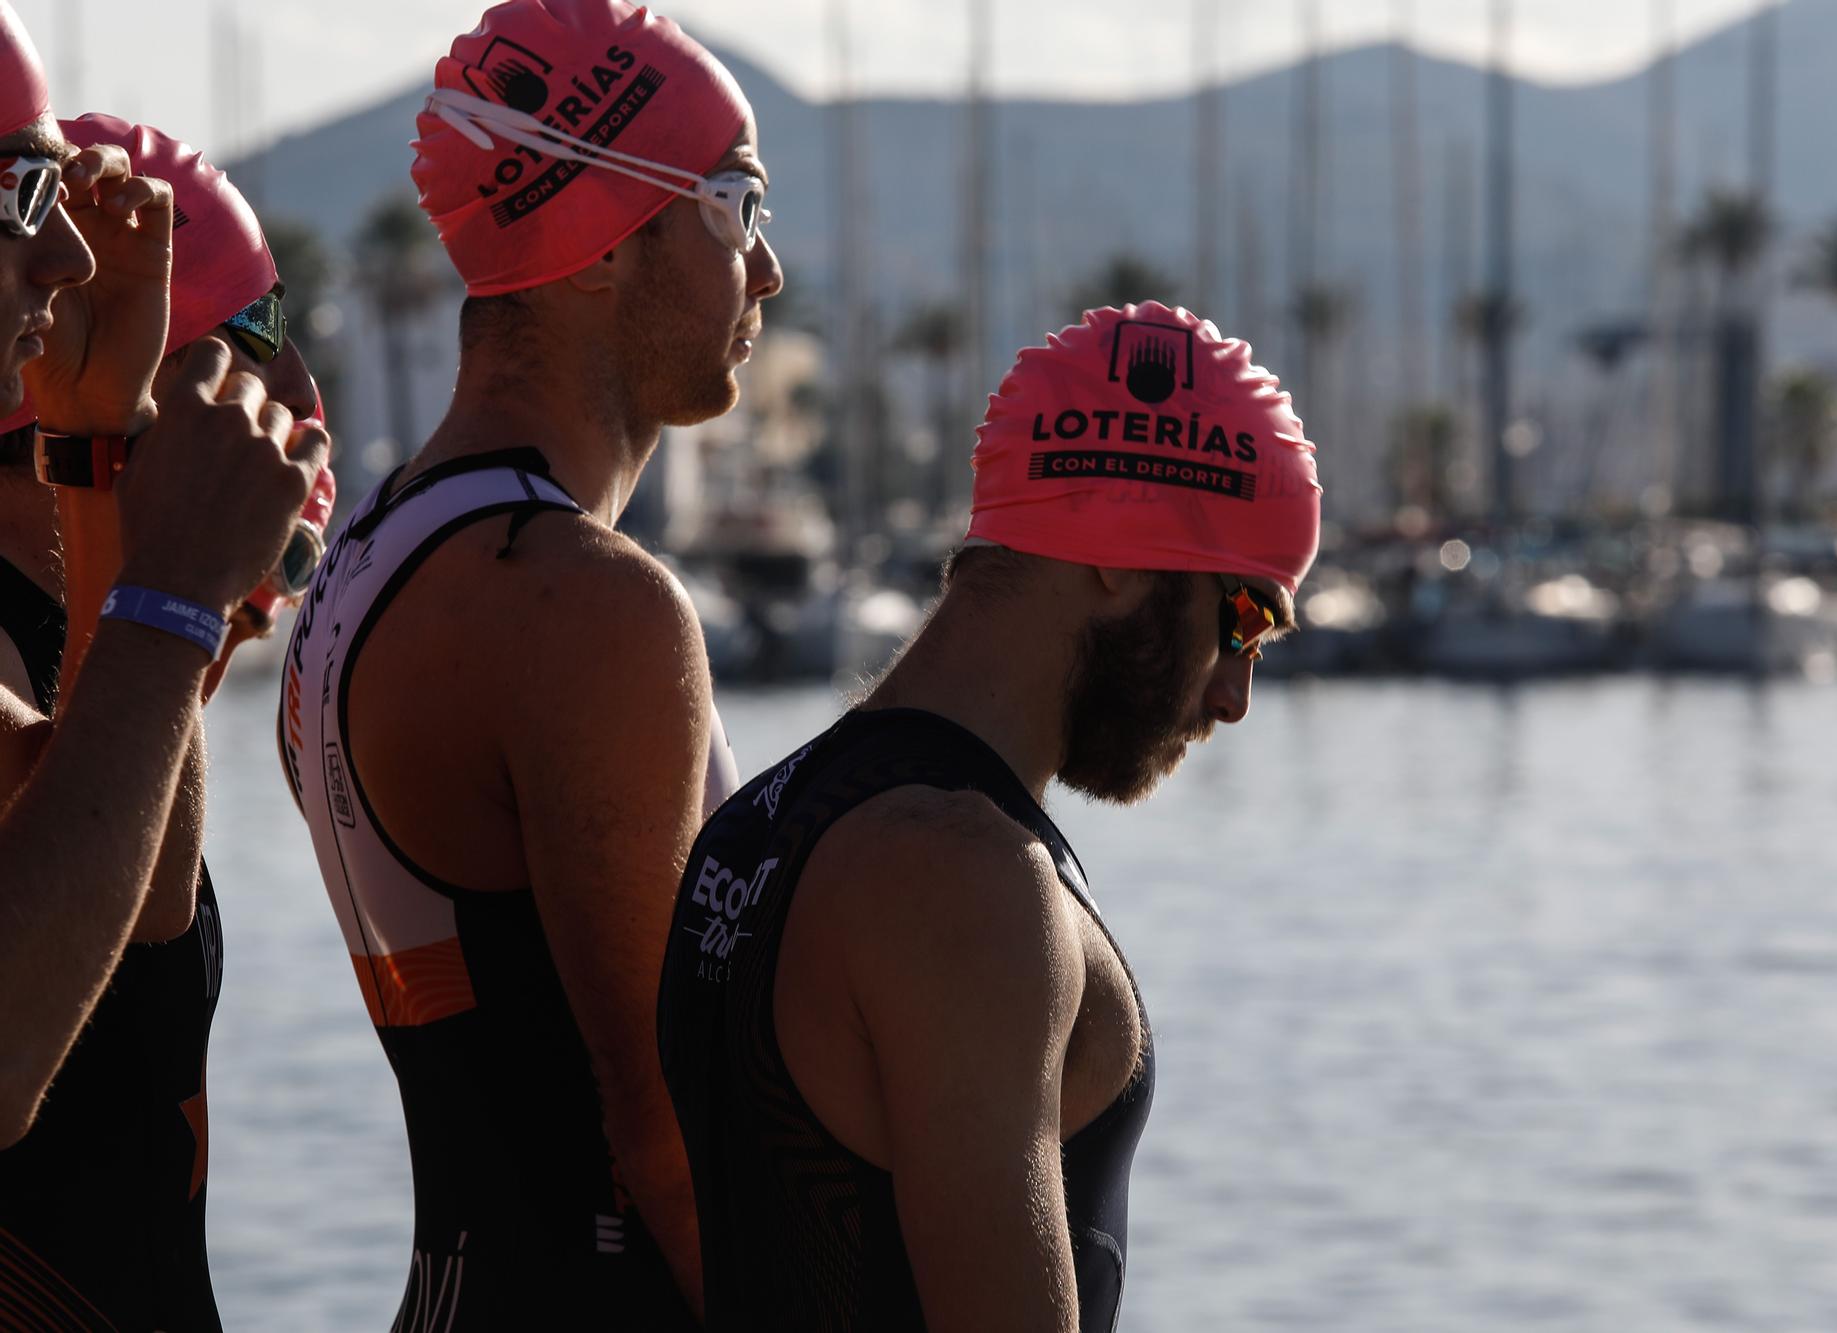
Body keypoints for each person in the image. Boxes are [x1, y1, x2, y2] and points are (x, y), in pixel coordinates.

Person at [658, 300, 1321, 1332]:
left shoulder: (754, 826)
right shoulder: (963, 879)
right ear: (1121, 551)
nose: (1235, 691)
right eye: (1245, 616)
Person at [281, 0, 779, 1324]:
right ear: (606, 243)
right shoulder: (579, 608)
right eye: (736, 205)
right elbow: (658, 1117)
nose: (767, 270)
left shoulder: (370, 558)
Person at [0, 9, 330, 1328]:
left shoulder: (94, 642)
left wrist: (104, 488)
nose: (298, 381)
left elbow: (136, 918)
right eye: (254, 336)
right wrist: (165, 588)